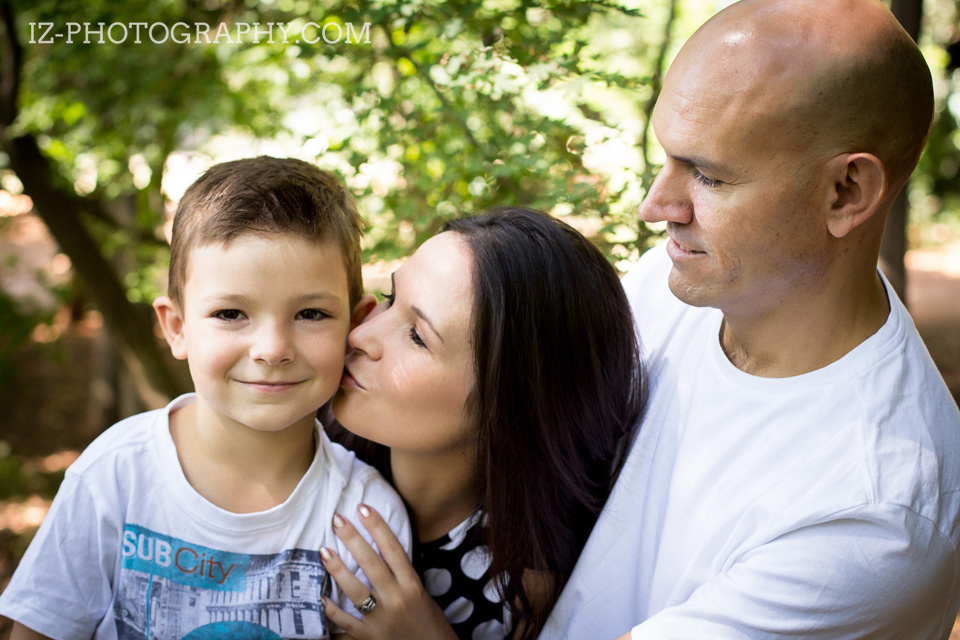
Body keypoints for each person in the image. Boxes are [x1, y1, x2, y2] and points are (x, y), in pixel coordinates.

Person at [540, 0, 960, 638]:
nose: (656, 206)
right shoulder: (671, 285)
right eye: (667, 157)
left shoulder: (874, 512)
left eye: (708, 177)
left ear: (846, 192)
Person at [0, 157, 411, 640]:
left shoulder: (365, 517)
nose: (272, 349)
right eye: (231, 313)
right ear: (177, 328)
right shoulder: (116, 473)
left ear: (355, 325)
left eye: (311, 314)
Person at [317, 207, 645, 639]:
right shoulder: (296, 438)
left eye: (417, 336)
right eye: (391, 298)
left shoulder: (521, 590)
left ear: (510, 401)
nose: (360, 335)